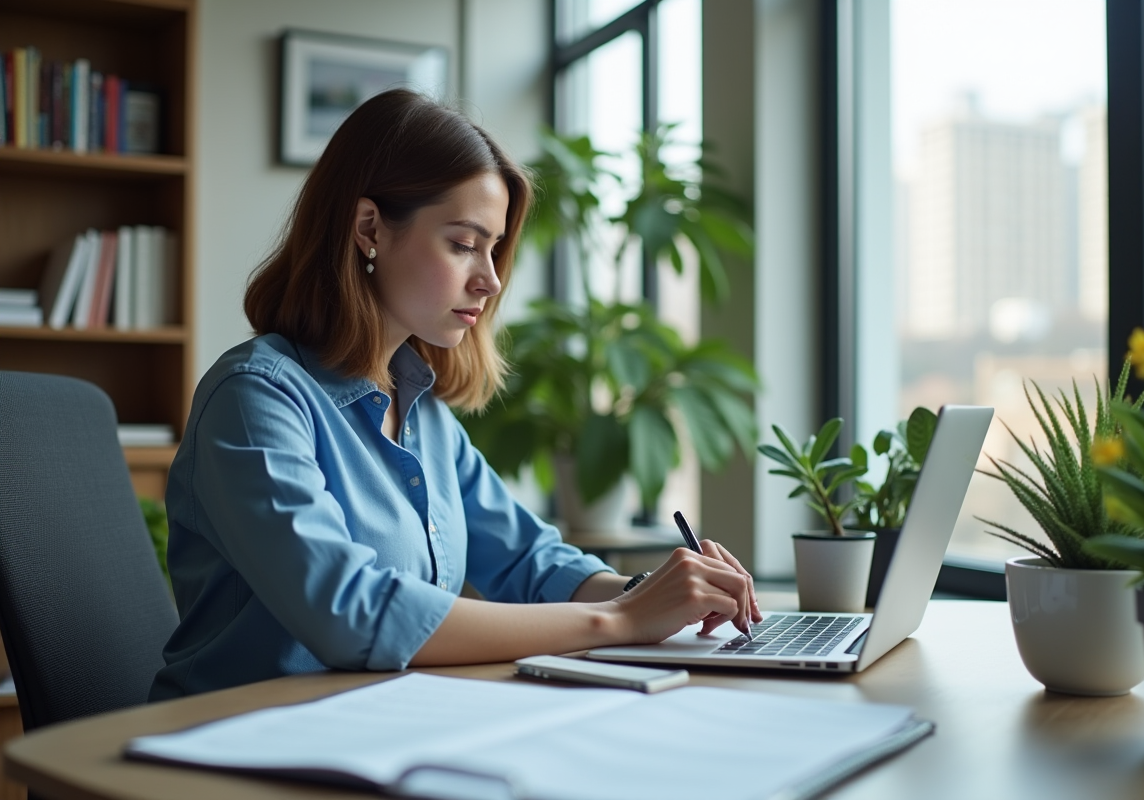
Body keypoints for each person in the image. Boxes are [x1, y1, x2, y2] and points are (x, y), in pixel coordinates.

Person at [149, 89, 760, 701]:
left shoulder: (424, 413)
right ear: (370, 230)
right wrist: (622, 620)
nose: (491, 280)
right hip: (232, 743)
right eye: (465, 244)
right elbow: (350, 613)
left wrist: (660, 590)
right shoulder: (255, 398)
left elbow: (530, 562)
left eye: (494, 249)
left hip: (378, 727)